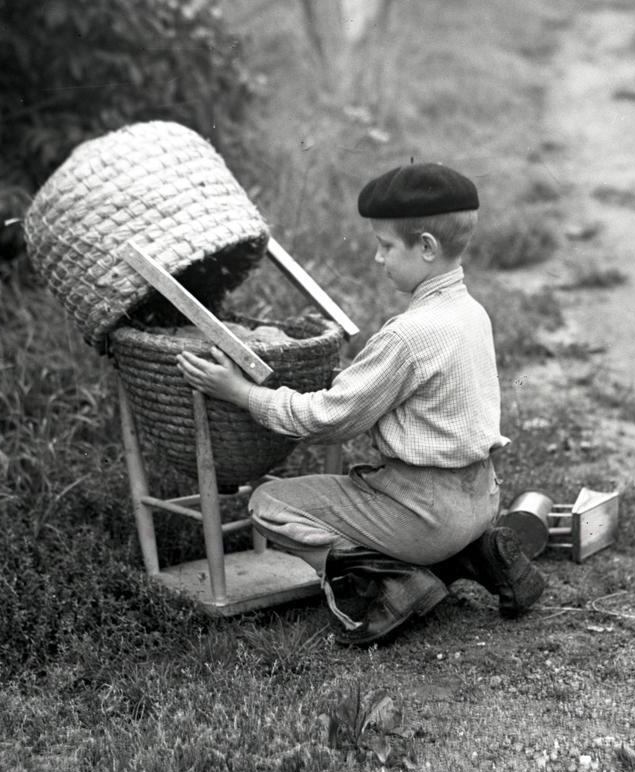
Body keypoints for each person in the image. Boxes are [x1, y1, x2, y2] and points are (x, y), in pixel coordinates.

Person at [176, 162, 544, 644]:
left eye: (386, 246)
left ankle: (392, 581)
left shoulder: (408, 336)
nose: (377, 257)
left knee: (269, 503)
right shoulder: (472, 313)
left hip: (425, 515)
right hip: (480, 499)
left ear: (426, 247)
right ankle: (479, 554)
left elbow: (327, 420)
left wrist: (241, 392)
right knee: (418, 517)